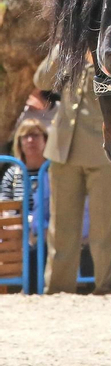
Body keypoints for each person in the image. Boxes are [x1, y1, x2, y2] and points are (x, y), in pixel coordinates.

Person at [33, 52, 111, 294]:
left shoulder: (109, 47)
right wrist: (62, 47)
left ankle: (105, 288)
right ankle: (57, 288)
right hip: (64, 149)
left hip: (103, 151)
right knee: (61, 227)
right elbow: (41, 80)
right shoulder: (70, 49)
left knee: (104, 228)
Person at [1, 119, 49, 293]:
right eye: (25, 136)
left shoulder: (53, 171)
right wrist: (19, 223)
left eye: (35, 135)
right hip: (19, 229)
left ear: (45, 139)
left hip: (46, 228)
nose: (30, 141)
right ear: (19, 142)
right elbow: (4, 204)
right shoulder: (13, 173)